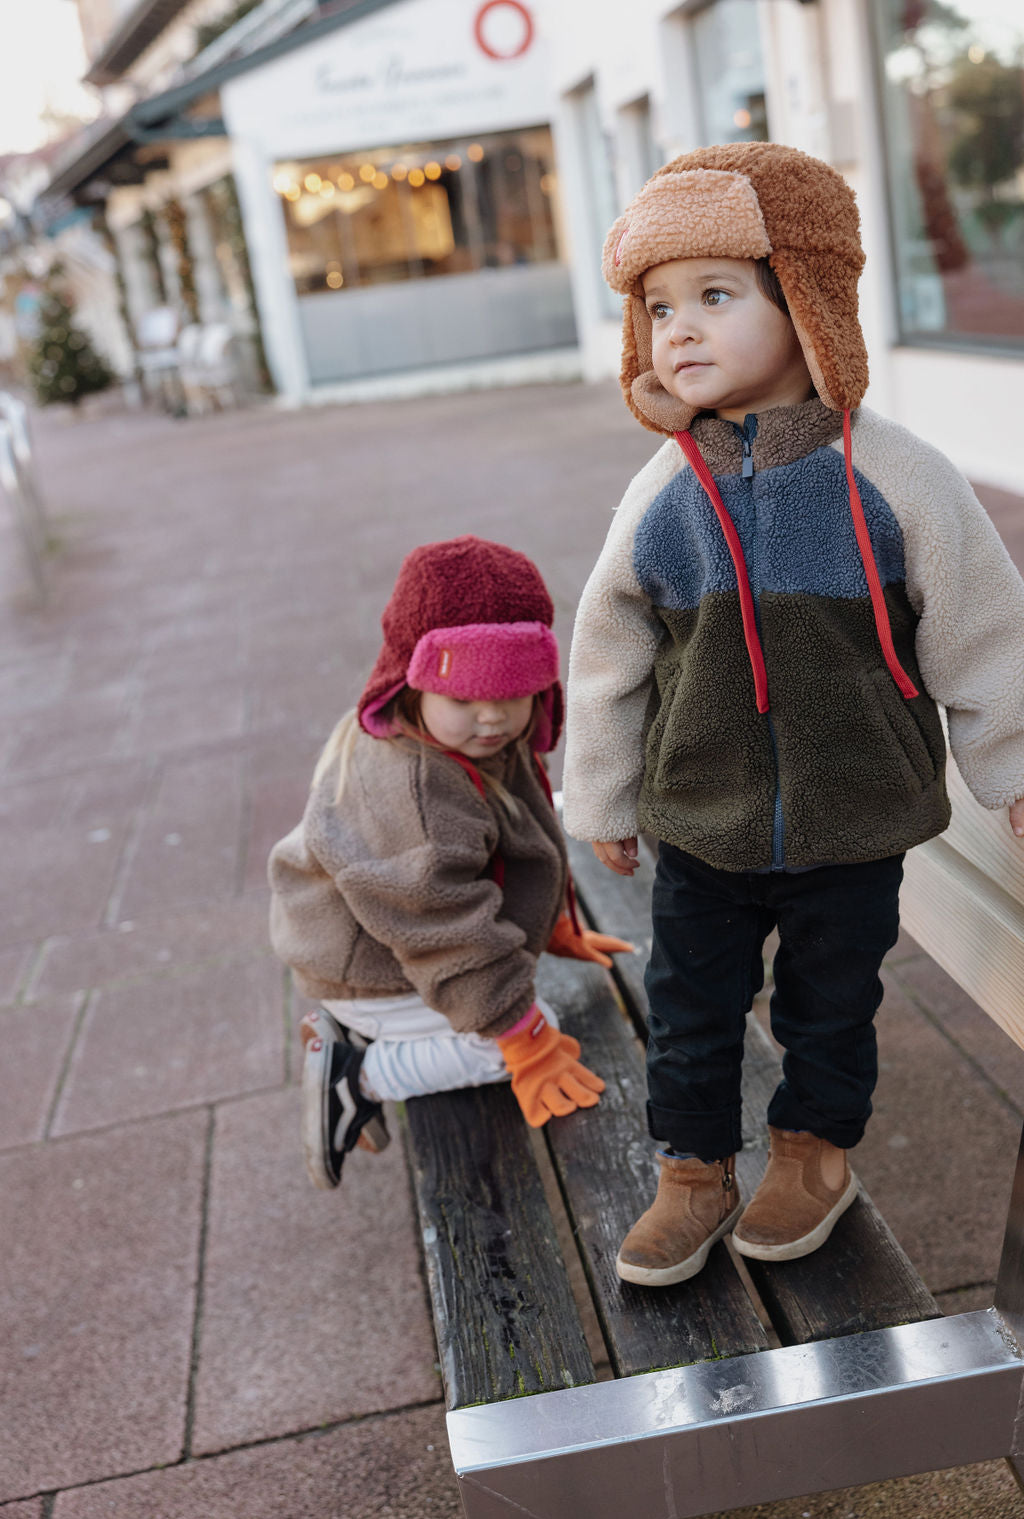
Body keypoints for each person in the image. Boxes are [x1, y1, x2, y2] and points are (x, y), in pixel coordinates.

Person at [562, 142, 1024, 1286]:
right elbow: (609, 654)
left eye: (715, 295)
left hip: (853, 819)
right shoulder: (665, 489)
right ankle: (692, 1169)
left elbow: (983, 628)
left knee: (829, 1006)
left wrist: (1011, 768)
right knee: (690, 1004)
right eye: (657, 307)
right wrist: (604, 796)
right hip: (703, 819)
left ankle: (815, 1153)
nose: (679, 329)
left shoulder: (898, 475)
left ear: (806, 300)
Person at [269, 535, 628, 1190]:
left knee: (522, 1003)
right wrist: (525, 1044)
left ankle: (366, 1041)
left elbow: (525, 835)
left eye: (513, 693)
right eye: (464, 698)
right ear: (413, 681)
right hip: (376, 967)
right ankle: (356, 1075)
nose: (492, 717)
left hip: (402, 944)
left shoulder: (471, 740)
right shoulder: (413, 793)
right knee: (522, 1035)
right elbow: (446, 932)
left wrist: (552, 923)